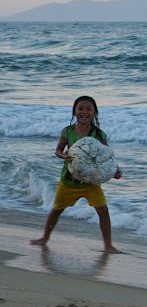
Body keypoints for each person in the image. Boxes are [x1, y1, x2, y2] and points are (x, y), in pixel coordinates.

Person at [30, 96, 123, 253]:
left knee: (103, 211)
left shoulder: (98, 134)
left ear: (94, 113)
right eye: (80, 108)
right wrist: (63, 156)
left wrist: (115, 170)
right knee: (56, 210)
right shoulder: (68, 131)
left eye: (88, 109)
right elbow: (58, 150)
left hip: (91, 183)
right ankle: (45, 238)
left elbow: (107, 156)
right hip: (68, 181)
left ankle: (108, 245)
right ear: (74, 111)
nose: (84, 112)